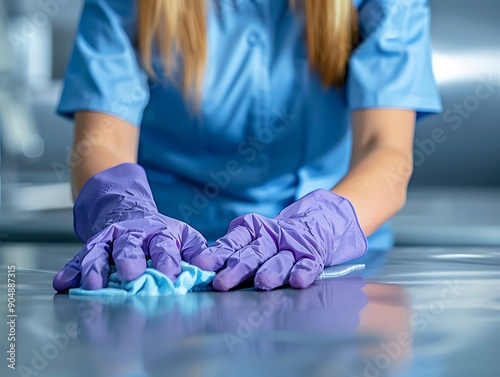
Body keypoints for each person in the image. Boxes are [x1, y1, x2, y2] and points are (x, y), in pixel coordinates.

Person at [52, 0, 441, 293]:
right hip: (169, 262)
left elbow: (385, 151)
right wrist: (123, 212)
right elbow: (101, 142)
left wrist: (319, 227)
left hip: (332, 262)